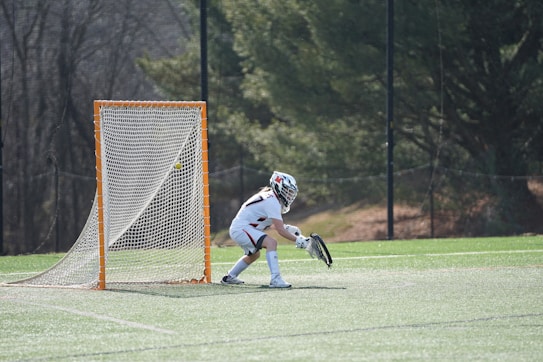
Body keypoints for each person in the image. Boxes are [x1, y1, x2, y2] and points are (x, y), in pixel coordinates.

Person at [221, 171, 309, 288]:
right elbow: (280, 230)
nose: (290, 195)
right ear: (278, 187)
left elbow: (269, 224)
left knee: (254, 255)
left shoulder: (272, 198)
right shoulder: (271, 201)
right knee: (271, 243)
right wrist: (297, 240)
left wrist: (288, 228)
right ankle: (276, 279)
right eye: (287, 191)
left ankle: (229, 277)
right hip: (241, 229)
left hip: (243, 228)